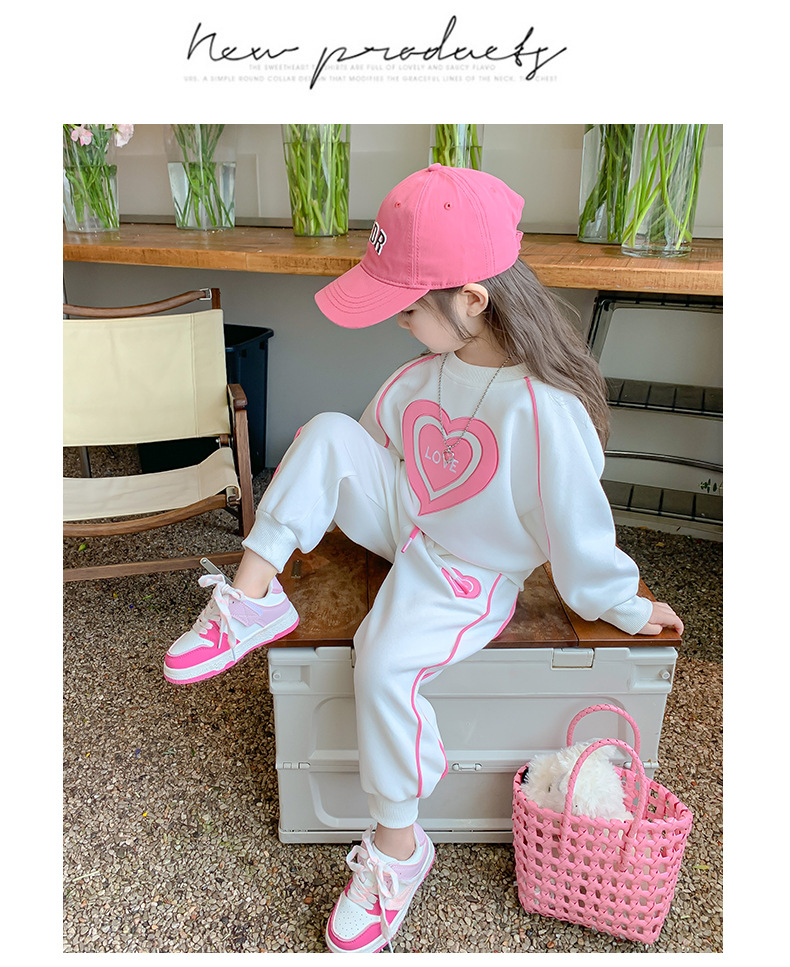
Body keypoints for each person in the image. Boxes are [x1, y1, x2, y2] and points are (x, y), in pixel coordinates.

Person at [162, 164, 684, 953]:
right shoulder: (428, 373)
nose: (398, 320)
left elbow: (581, 539)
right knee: (326, 429)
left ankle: (397, 849)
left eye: (408, 306)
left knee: (381, 662)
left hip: (467, 568)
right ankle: (252, 596)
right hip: (409, 514)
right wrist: (328, 488)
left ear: (471, 299)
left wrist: (628, 606)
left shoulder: (545, 412)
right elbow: (364, 446)